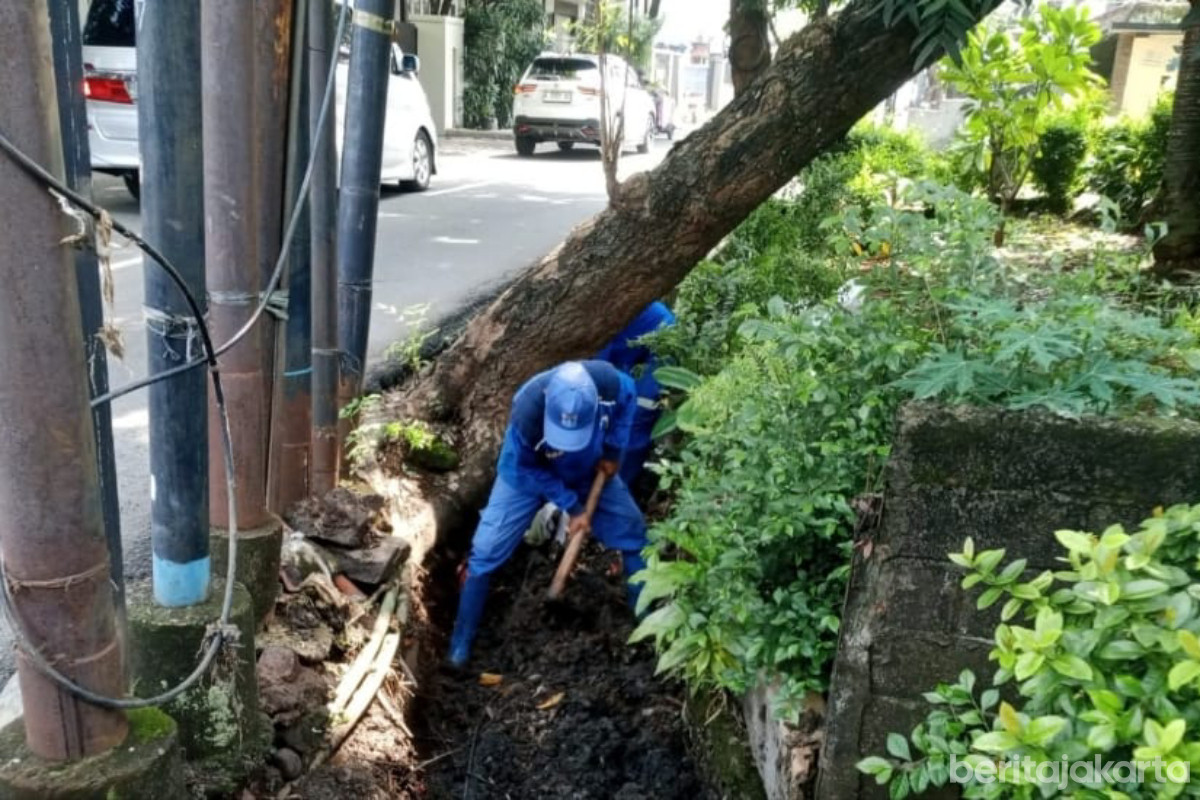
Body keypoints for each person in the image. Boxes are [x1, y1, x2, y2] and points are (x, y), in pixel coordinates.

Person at [448, 361, 647, 668]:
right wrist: (574, 507)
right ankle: (460, 645)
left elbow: (629, 399)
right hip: (525, 477)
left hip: (588, 467)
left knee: (633, 533)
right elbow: (530, 469)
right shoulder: (527, 410)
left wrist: (612, 452)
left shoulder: (609, 384)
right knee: (486, 551)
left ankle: (644, 626)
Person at [594, 301, 676, 487]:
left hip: (662, 343)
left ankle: (617, 488)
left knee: (636, 415)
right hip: (632, 348)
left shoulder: (594, 326)